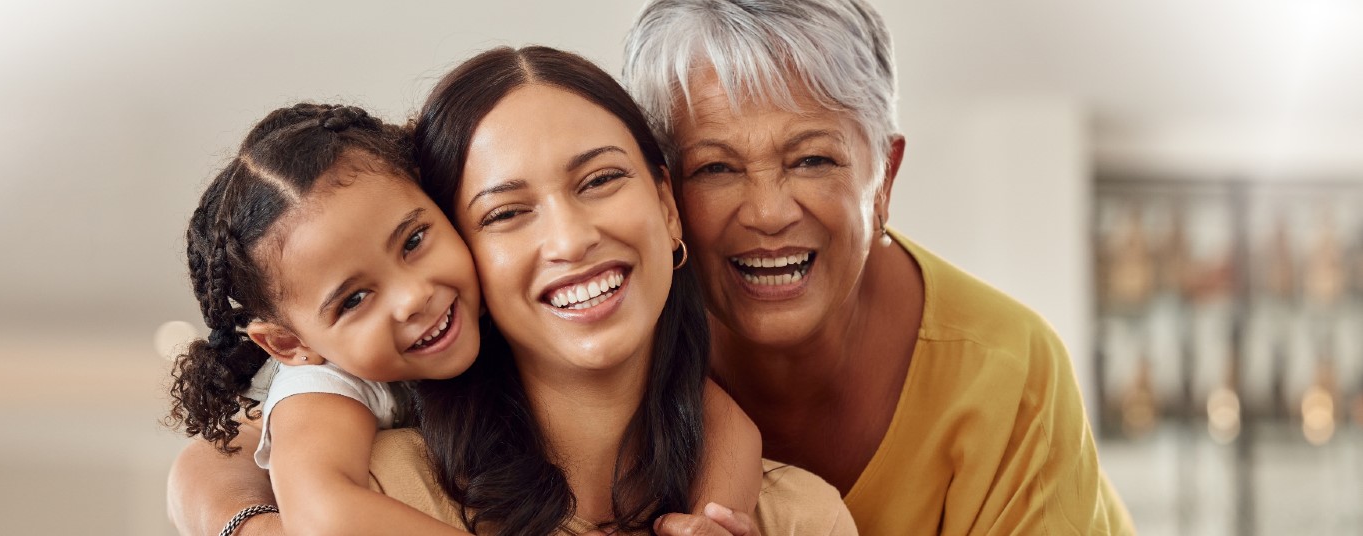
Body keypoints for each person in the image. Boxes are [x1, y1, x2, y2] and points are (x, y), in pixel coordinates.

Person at [164, 49, 845, 535]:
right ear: (475, 253)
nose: (570, 239)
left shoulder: (800, 515)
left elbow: (714, 413)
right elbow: (225, 466)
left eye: (601, 179)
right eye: (505, 213)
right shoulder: (381, 480)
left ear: (668, 207)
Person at [623, 0, 1134, 533]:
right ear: (665, 196)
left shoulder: (1010, 370)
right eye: (716, 167)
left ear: (885, 178)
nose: (768, 214)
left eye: (812, 160)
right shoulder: (620, 357)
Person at [168, 103, 485, 535]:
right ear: (290, 345)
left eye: (413, 240)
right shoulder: (321, 385)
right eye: (354, 299)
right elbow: (323, 516)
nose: (413, 297)